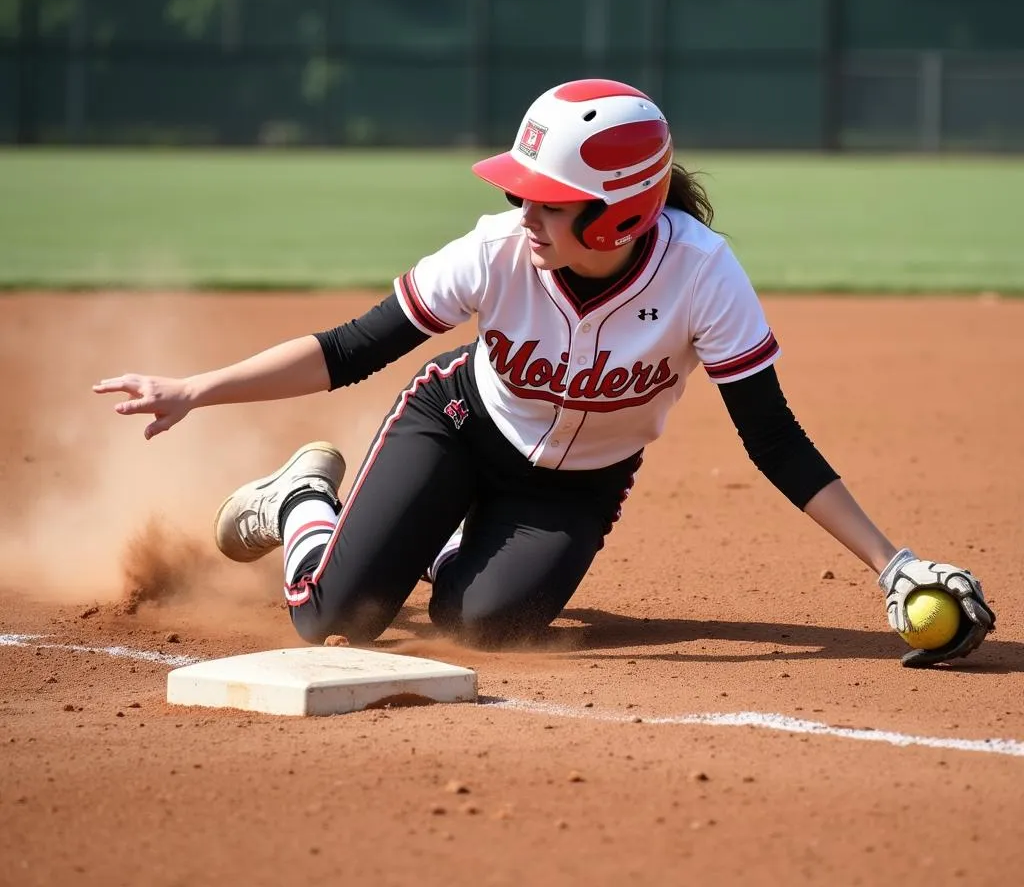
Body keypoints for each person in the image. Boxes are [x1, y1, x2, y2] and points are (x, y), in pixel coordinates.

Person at [93, 78, 995, 667]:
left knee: (480, 629)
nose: (522, 210)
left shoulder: (703, 276)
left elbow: (774, 439)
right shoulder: (496, 251)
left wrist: (895, 566)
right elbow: (352, 346)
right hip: (455, 426)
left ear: (616, 220)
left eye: (549, 201)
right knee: (334, 619)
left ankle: (436, 543)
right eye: (520, 191)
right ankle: (300, 502)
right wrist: (196, 388)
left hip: (571, 492)